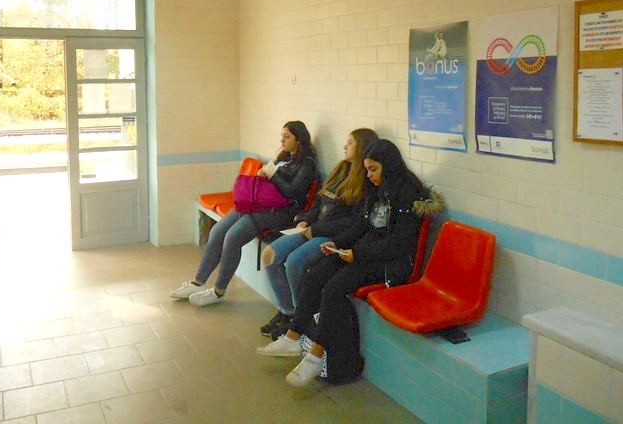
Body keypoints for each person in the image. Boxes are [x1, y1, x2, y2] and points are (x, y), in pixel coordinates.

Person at [256, 139, 430, 387]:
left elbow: (398, 245)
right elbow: (362, 224)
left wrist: (356, 253)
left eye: (373, 169)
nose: (369, 175)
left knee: (334, 288)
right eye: (367, 169)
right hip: (367, 252)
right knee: (315, 274)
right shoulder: (377, 189)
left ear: (389, 166)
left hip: (392, 264)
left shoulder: (408, 195)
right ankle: (293, 336)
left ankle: (316, 356)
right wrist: (337, 244)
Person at [170, 121, 318, 307]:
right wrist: (264, 175)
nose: (282, 140)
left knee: (232, 237)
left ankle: (218, 291)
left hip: (280, 212)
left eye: (287, 137)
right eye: (282, 135)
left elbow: (293, 192)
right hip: (258, 204)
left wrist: (272, 175)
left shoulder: (307, 164)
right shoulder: (284, 156)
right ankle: (197, 283)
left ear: (300, 140)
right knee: (217, 232)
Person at [258, 128, 379, 339]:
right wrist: (306, 218)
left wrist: (316, 229)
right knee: (270, 255)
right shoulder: (341, 169)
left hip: (332, 235)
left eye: (350, 143)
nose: (344, 146)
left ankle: (301, 322)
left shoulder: (366, 181)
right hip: (313, 227)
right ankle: (288, 313)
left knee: (294, 262)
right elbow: (321, 200)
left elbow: (354, 222)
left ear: (362, 147)